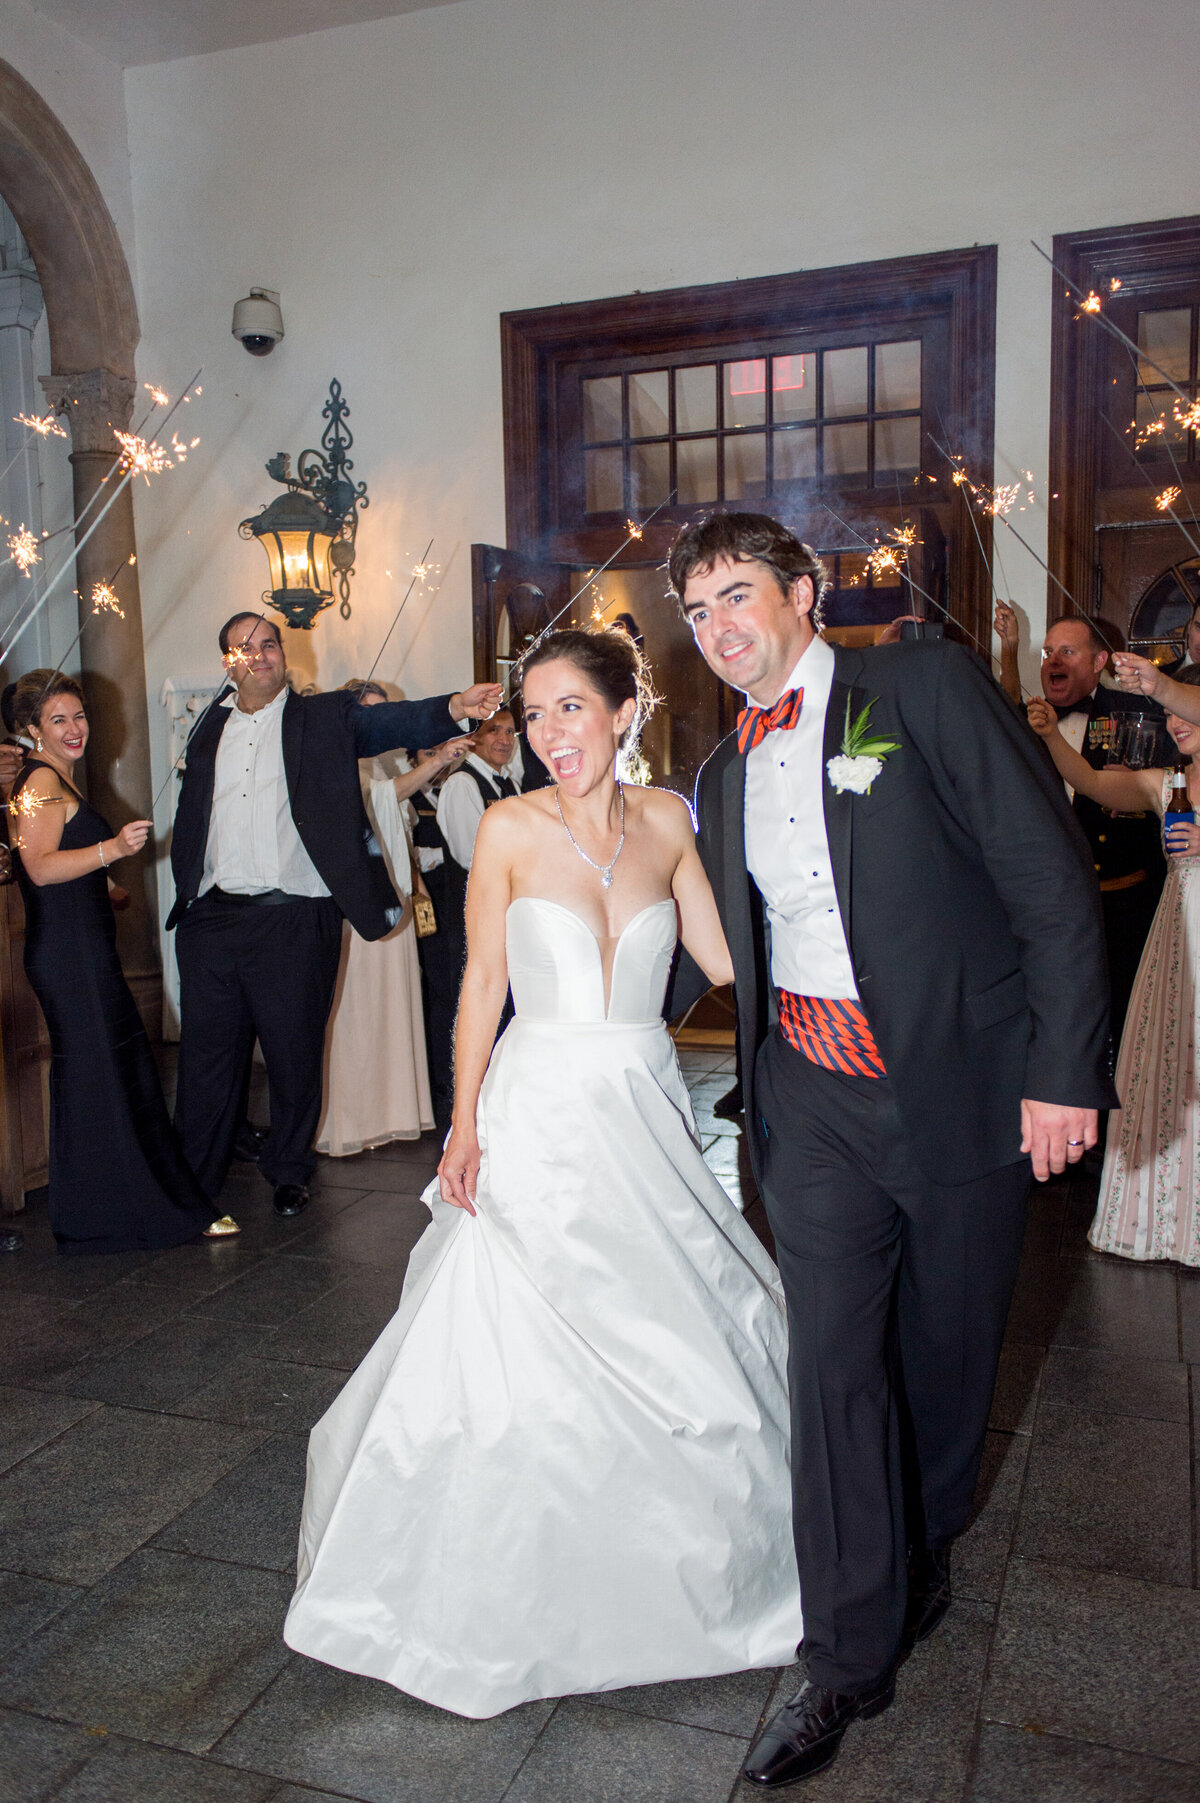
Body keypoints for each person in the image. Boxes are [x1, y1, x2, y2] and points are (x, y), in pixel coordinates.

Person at [667, 512, 1114, 1789]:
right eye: (698, 614)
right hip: (811, 1105)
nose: (722, 631)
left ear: (804, 593)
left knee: (949, 1356)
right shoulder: (726, 767)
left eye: (740, 596)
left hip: (961, 1092)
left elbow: (1049, 880)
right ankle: (844, 1656)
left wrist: (1061, 1073)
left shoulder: (914, 685)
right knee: (834, 1369)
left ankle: (922, 1553)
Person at [284, 625, 805, 1717]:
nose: (549, 731)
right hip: (539, 1109)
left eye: (571, 707)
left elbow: (723, 963)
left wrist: (834, 1002)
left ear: (625, 712)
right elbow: (481, 987)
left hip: (646, 1108)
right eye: (533, 713)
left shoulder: (668, 819)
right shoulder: (511, 830)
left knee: (684, 1319)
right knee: (519, 1329)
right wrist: (461, 1126)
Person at [167, 611, 501, 1219]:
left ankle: (289, 1170)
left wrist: (454, 705)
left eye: (269, 643)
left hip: (294, 917)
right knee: (207, 1057)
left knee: (294, 1053)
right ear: (228, 664)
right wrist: (185, 892)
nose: (260, 654)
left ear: (282, 654)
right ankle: (196, 1177)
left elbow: (384, 723)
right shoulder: (205, 730)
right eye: (245, 648)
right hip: (212, 920)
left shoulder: (321, 718)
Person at [8, 670, 234, 1253]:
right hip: (67, 956)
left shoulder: (56, 779)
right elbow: (37, 867)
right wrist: (112, 848)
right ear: (33, 729)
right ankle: (115, 1215)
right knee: (100, 1076)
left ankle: (104, 1212)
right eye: (58, 720)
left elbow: (59, 864)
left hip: (80, 947)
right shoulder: (38, 781)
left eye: (78, 716)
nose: (75, 728)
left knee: (112, 1073)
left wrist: (102, 883)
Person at [1029, 672, 1200, 1266]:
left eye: (1184, 711)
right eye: (1171, 716)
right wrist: (1051, 738)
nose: (1175, 723)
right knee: (1168, 1066)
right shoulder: (1168, 783)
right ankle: (1166, 1219)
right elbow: (1094, 781)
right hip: (1177, 935)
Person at [995, 601, 1166, 1043]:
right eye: (1049, 651)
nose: (1054, 659)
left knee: (1128, 1026)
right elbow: (1004, 710)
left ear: (1099, 661)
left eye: (1068, 651)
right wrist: (1009, 649)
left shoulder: (1138, 714)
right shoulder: (1032, 719)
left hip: (1126, 907)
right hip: (1051, 910)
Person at [316, 681, 467, 1156]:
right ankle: (354, 1116)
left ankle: (395, 1111)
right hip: (359, 897)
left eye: (387, 714)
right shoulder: (339, 759)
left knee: (395, 1002)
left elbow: (398, 812)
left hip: (396, 890)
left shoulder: (388, 760)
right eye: (373, 714)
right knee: (356, 1010)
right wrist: (437, 761)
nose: (382, 724)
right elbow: (380, 797)